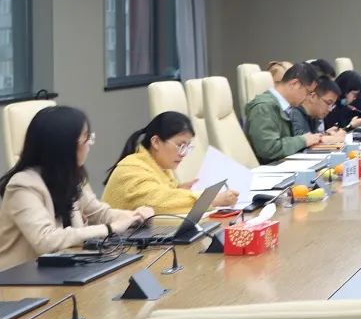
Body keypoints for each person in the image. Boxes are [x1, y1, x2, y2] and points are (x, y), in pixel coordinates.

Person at [0, 106, 154, 270]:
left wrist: (134, 216)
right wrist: (110, 228)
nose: (89, 145)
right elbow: (46, 241)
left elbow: (99, 213)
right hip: (21, 278)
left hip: (63, 269)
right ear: (65, 146)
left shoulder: (71, 176)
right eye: (86, 139)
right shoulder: (22, 186)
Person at [102, 112, 239, 213]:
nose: (183, 153)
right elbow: (159, 203)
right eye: (180, 145)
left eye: (187, 147)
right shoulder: (131, 170)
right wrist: (211, 199)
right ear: (156, 142)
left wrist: (179, 190)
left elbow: (163, 196)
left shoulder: (160, 166)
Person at [244, 62, 322, 163]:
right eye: (308, 92)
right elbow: (268, 148)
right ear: (294, 84)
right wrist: (303, 140)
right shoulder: (263, 107)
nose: (307, 98)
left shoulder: (285, 107)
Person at [290, 77, 346, 145]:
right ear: (313, 97)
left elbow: (313, 138)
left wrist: (326, 134)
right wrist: (333, 138)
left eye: (332, 105)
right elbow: (304, 142)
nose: (330, 109)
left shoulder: (314, 116)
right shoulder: (295, 113)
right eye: (328, 103)